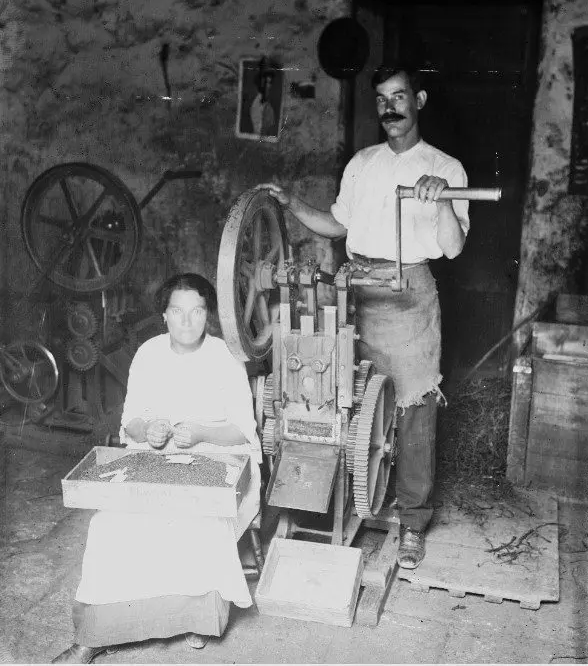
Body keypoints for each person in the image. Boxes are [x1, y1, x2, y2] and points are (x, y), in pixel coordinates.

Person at [258, 64, 469, 570]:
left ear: (418, 99)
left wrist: (439, 200)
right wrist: (292, 205)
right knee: (342, 395)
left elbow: (454, 247)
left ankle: (413, 523)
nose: (390, 108)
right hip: (354, 287)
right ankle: (351, 502)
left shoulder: (446, 166)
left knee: (414, 405)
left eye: (399, 96)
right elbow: (337, 224)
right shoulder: (362, 163)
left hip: (408, 292)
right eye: (381, 99)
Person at [53, 273, 262, 664]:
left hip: (216, 460)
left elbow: (242, 431)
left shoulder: (225, 357)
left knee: (199, 523)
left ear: (209, 316)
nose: (187, 321)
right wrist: (149, 429)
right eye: (178, 311)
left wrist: (200, 431)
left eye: (197, 311)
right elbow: (130, 421)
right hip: (156, 457)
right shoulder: (149, 353)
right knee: (107, 526)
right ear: (164, 315)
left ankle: (195, 619)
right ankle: (94, 635)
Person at [249, 69, 277, 137]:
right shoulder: (258, 103)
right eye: (266, 82)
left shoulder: (265, 102)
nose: (269, 86)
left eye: (270, 82)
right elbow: (259, 131)